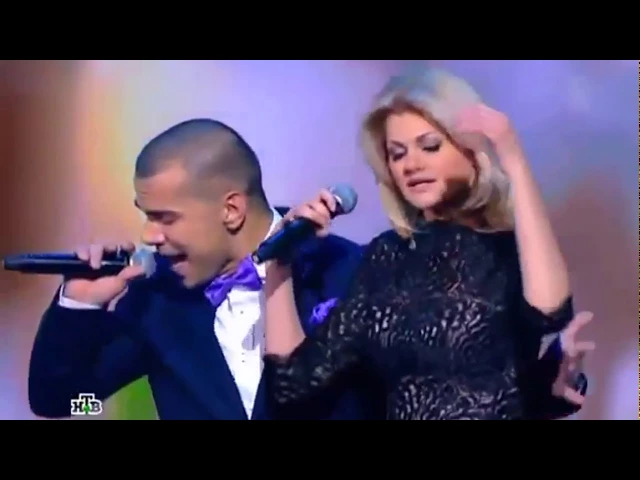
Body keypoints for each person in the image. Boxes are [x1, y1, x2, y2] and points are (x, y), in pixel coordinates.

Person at [262, 68, 595, 420]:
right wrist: (279, 262)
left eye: (430, 146)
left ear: (472, 151)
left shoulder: (507, 248)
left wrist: (512, 157)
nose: (411, 165)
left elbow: (550, 310)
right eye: (397, 154)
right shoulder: (386, 257)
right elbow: (293, 384)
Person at [27, 118, 373, 420]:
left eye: (165, 218)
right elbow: (64, 403)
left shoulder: (347, 271)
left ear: (231, 210)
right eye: (146, 215)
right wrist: (79, 305)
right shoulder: (156, 302)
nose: (149, 236)